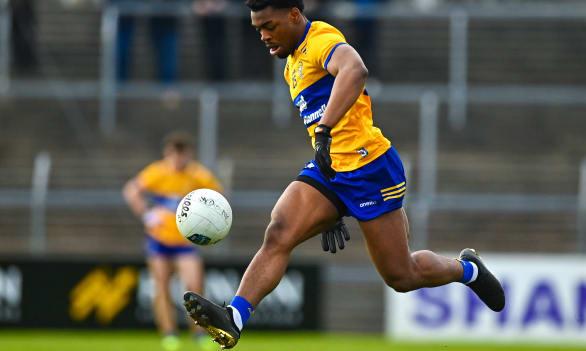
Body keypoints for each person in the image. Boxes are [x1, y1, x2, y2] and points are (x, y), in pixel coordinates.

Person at [182, 1, 505, 349]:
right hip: (331, 170)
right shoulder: (290, 66)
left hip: (370, 169)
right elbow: (325, 124)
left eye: (269, 26)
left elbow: (355, 70)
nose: (263, 36)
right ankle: (235, 317)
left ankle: (467, 269)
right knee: (279, 232)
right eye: (257, 28)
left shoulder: (319, 38)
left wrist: (324, 129)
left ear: (294, 14)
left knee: (402, 274)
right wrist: (330, 206)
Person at [123, 131, 223, 351]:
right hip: (159, 241)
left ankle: (199, 334)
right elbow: (131, 190)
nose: (177, 160)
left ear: (188, 154)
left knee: (195, 287)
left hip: (185, 242)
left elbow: (217, 197)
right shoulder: (157, 172)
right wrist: (146, 215)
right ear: (167, 154)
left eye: (181, 155)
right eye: (173, 155)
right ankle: (169, 334)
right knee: (162, 287)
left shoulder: (198, 175)